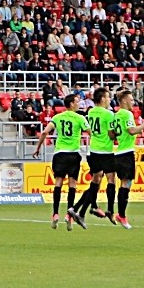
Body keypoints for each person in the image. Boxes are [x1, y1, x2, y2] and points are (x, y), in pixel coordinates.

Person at [34, 92, 88, 230]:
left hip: (59, 154)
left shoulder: (57, 117)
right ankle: (69, 214)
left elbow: (45, 132)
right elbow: (91, 132)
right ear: (71, 103)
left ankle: (55, 214)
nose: (79, 104)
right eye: (77, 101)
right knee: (72, 183)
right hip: (73, 154)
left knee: (58, 182)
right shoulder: (79, 118)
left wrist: (38, 148)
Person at [69, 87, 117, 228]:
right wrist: (118, 134)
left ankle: (78, 210)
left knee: (95, 183)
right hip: (105, 151)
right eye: (108, 97)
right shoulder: (109, 114)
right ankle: (110, 209)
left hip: (93, 151)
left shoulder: (91, 112)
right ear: (102, 99)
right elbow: (111, 135)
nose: (109, 100)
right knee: (111, 179)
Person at [108, 89, 144, 228]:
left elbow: (111, 135)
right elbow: (132, 131)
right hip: (126, 153)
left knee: (125, 183)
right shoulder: (127, 114)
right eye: (131, 100)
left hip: (118, 153)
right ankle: (121, 215)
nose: (133, 102)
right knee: (125, 185)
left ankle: (119, 213)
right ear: (124, 101)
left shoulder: (115, 115)